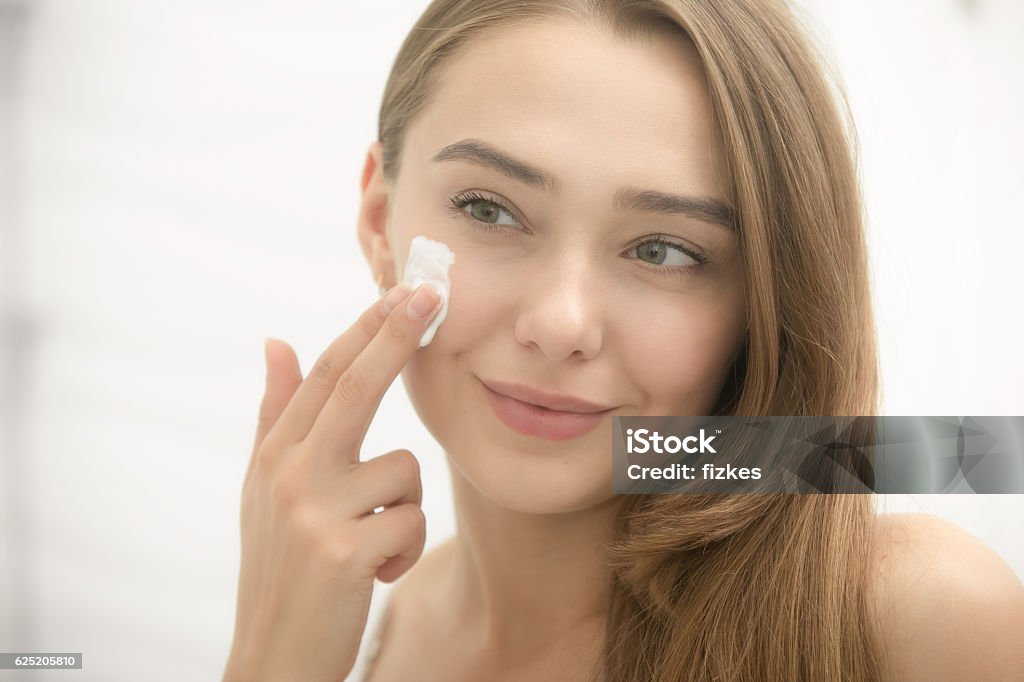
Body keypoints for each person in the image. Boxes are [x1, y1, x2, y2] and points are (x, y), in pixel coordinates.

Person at [223, 1, 1024, 680]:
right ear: (378, 224)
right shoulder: (398, 618)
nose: (561, 324)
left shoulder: (923, 617)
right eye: (490, 209)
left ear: (763, 304)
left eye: (664, 250)